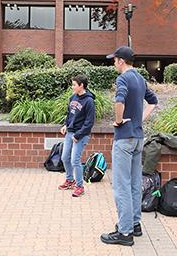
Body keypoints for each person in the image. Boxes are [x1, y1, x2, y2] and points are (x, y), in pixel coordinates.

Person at [101, 46, 157, 246]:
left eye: (114, 60)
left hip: (124, 139)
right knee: (134, 184)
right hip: (138, 139)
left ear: (121, 61)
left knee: (121, 186)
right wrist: (138, 120)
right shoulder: (140, 78)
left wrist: (118, 121)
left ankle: (124, 233)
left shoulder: (123, 78)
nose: (113, 63)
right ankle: (134, 224)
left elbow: (119, 100)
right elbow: (153, 101)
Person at [58, 74, 96, 197]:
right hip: (70, 132)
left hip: (81, 134)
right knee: (65, 157)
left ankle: (80, 186)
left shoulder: (89, 101)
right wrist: (65, 125)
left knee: (75, 160)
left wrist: (78, 135)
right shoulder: (72, 97)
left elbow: (89, 123)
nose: (72, 86)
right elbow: (69, 115)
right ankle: (70, 180)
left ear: (81, 85)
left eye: (74, 84)